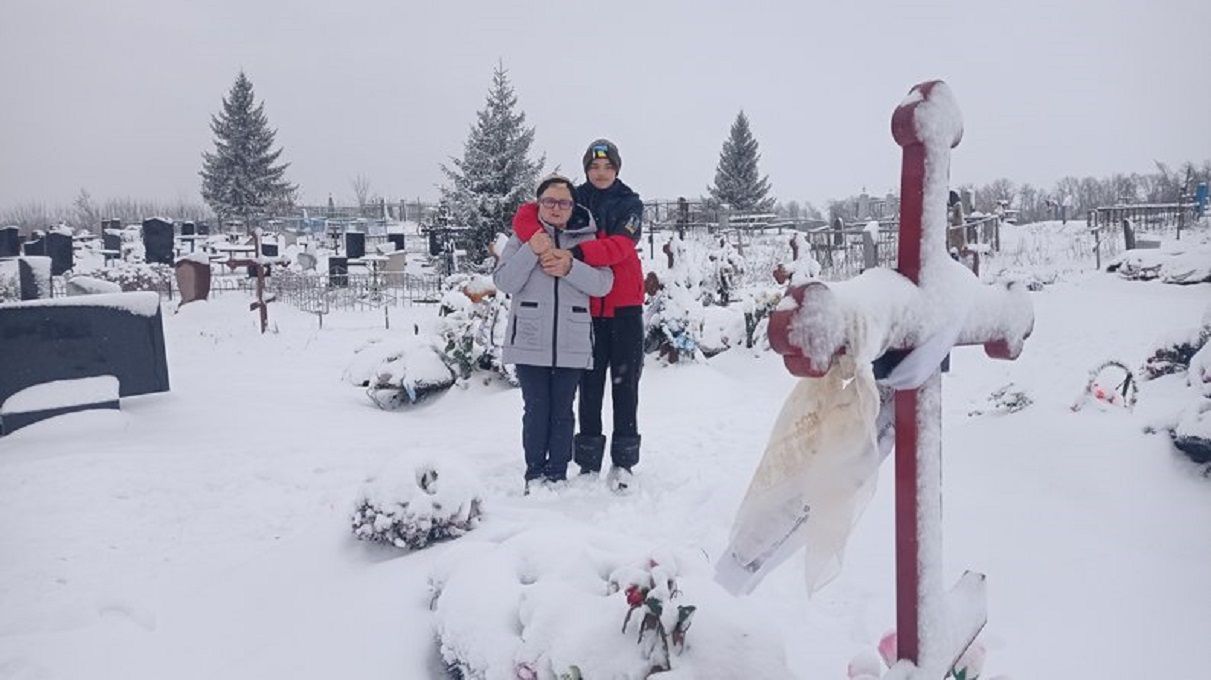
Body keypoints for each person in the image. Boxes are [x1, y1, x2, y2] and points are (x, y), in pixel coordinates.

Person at [512, 139, 645, 492]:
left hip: (624, 305)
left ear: (617, 168)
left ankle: (624, 462)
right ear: (586, 168)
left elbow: (621, 246)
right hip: (586, 308)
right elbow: (526, 215)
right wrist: (537, 242)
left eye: (608, 167)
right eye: (594, 167)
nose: (601, 173)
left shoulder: (631, 203)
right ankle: (587, 461)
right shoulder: (574, 198)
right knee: (588, 386)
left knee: (625, 386)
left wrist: (575, 252)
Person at [494, 175, 613, 492]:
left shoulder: (586, 239)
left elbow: (604, 284)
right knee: (536, 408)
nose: (556, 208)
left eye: (563, 202)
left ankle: (557, 472)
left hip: (571, 340)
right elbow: (505, 282)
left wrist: (571, 266)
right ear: (539, 204)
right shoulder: (521, 238)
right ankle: (534, 473)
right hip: (531, 337)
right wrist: (531, 250)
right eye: (549, 201)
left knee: (562, 409)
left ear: (573, 206)